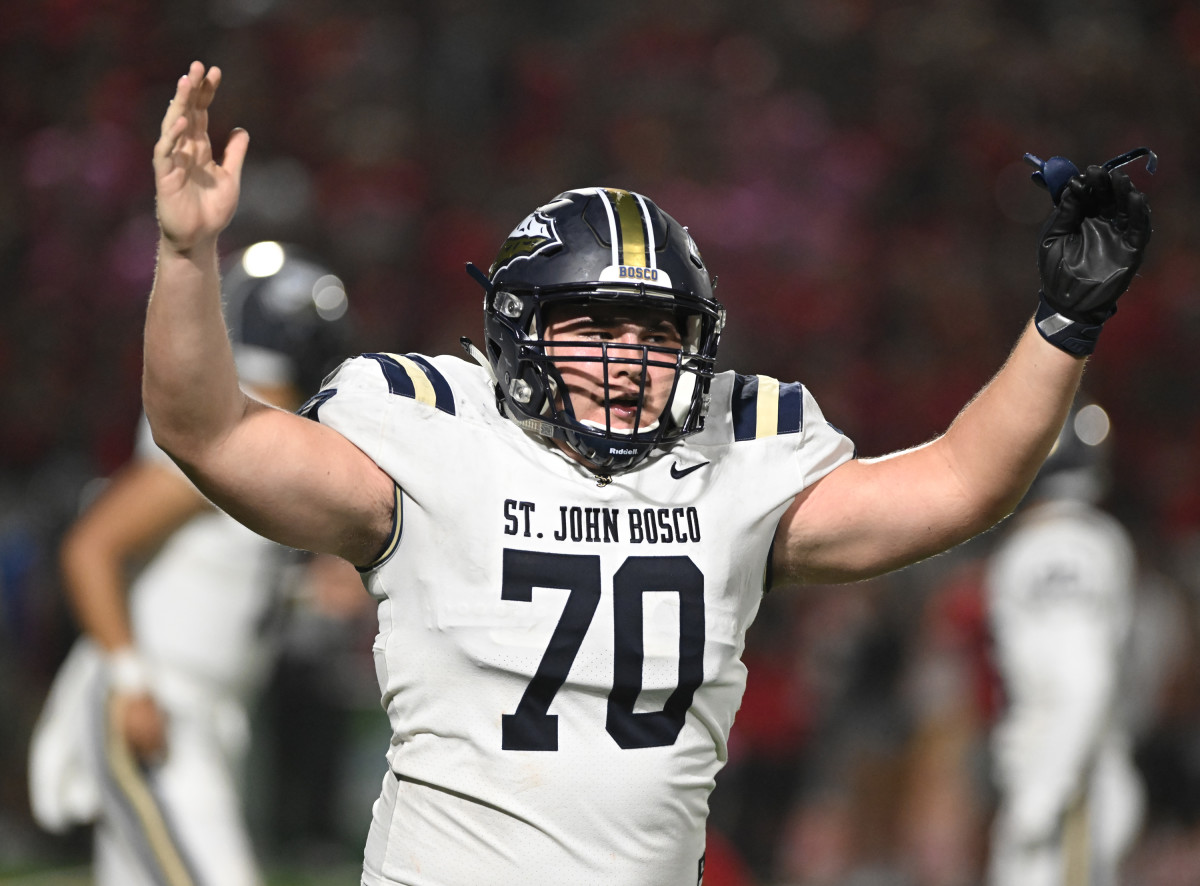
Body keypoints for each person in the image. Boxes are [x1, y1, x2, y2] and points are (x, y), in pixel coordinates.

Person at [142, 61, 1152, 886]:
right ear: (517, 333)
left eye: (655, 331)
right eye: (591, 326)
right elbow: (210, 433)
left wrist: (1064, 323)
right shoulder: (435, 430)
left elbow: (965, 481)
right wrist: (187, 256)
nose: (627, 358)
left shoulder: (738, 455)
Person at [28, 240, 354, 886]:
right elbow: (91, 546)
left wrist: (307, 590)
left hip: (206, 714)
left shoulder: (265, 438)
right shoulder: (226, 434)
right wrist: (129, 680)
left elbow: (220, 578)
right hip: (156, 701)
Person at [984, 400, 1145, 886]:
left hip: (1070, 797)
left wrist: (1046, 792)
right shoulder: (1094, 538)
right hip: (1074, 779)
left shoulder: (1054, 544)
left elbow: (1083, 678)